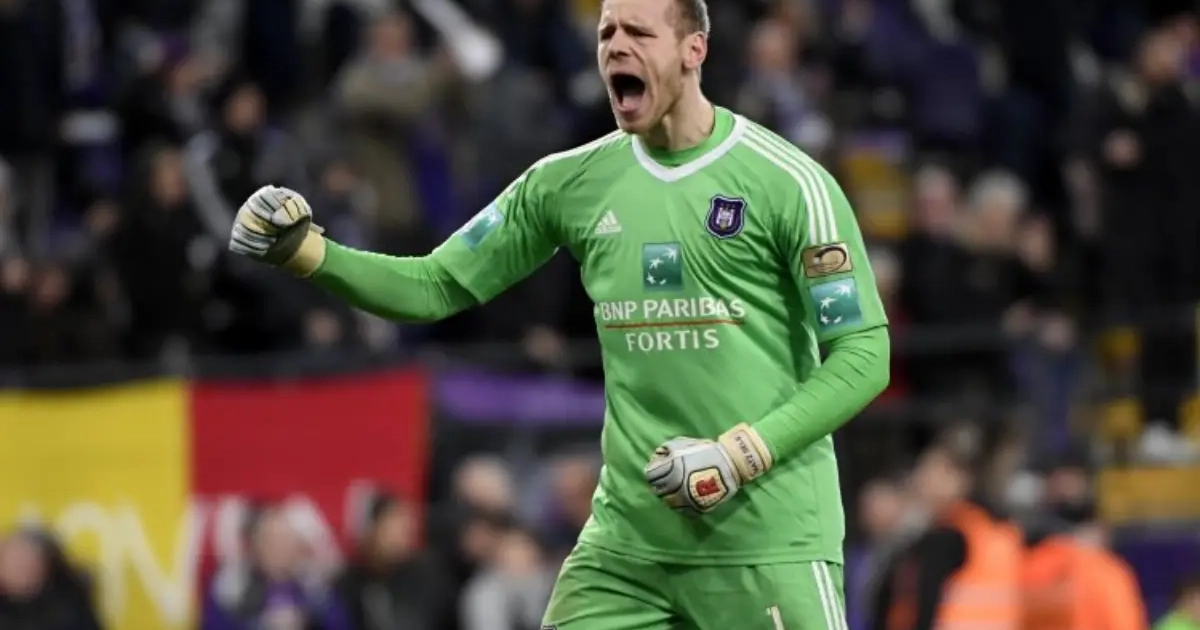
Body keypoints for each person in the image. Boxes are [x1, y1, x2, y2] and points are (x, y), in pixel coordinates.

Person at [227, 0, 891, 627]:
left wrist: (738, 454)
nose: (616, 47)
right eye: (606, 33)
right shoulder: (568, 184)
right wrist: (308, 252)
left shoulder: (787, 182)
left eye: (639, 32)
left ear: (694, 50)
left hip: (765, 542)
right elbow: (434, 285)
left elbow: (864, 355)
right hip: (627, 549)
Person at [875, 439, 1022, 630]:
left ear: (959, 479)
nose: (921, 481)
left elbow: (925, 606)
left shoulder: (948, 538)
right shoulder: (995, 529)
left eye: (930, 472)